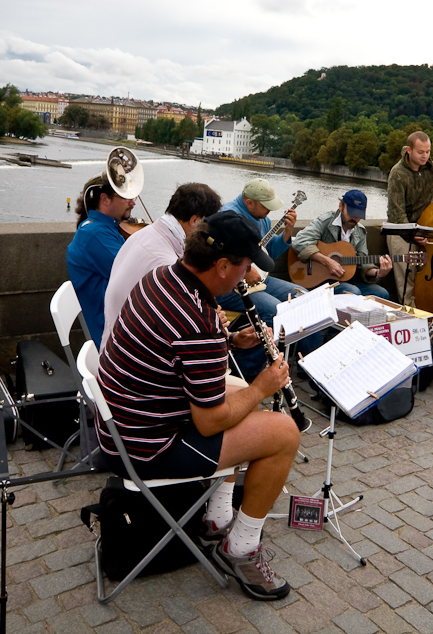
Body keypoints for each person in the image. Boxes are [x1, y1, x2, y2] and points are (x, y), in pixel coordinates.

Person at [97, 210, 300, 601]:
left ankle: (216, 516)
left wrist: (226, 345)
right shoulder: (198, 318)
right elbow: (209, 423)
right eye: (245, 267)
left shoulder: (164, 277)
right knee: (283, 432)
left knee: (235, 386)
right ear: (222, 266)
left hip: (123, 427)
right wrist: (263, 387)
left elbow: (177, 355)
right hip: (146, 449)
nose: (249, 276)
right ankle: (240, 548)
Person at [101, 182, 222, 351]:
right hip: (130, 357)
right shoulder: (164, 264)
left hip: (114, 344)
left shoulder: (144, 234)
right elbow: (180, 331)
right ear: (195, 220)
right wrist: (212, 324)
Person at [217, 179, 312, 376]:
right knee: (275, 311)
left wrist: (287, 233)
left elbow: (268, 253)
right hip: (232, 285)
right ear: (249, 202)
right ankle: (244, 374)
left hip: (260, 280)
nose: (270, 210)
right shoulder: (227, 216)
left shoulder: (263, 218)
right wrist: (243, 269)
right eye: (266, 206)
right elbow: (218, 255)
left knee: (304, 296)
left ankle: (307, 365)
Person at [67, 172, 136, 342]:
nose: (133, 202)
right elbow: (135, 275)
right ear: (105, 199)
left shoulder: (99, 228)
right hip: (110, 334)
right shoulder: (95, 234)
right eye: (127, 198)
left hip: (114, 323)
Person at [386, 131, 433, 306]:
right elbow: (396, 212)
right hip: (401, 232)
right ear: (409, 150)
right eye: (420, 152)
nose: (425, 156)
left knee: (423, 277)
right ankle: (409, 319)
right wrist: (411, 233)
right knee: (406, 282)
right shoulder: (398, 173)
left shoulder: (430, 168)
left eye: (428, 152)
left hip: (423, 229)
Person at [291, 190, 392, 299]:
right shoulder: (325, 221)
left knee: (382, 293)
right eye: (351, 213)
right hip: (319, 278)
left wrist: (378, 273)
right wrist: (327, 261)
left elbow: (362, 263)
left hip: (345, 279)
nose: (354, 218)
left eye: (358, 215)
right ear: (341, 206)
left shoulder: (360, 232)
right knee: (353, 292)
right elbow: (300, 241)